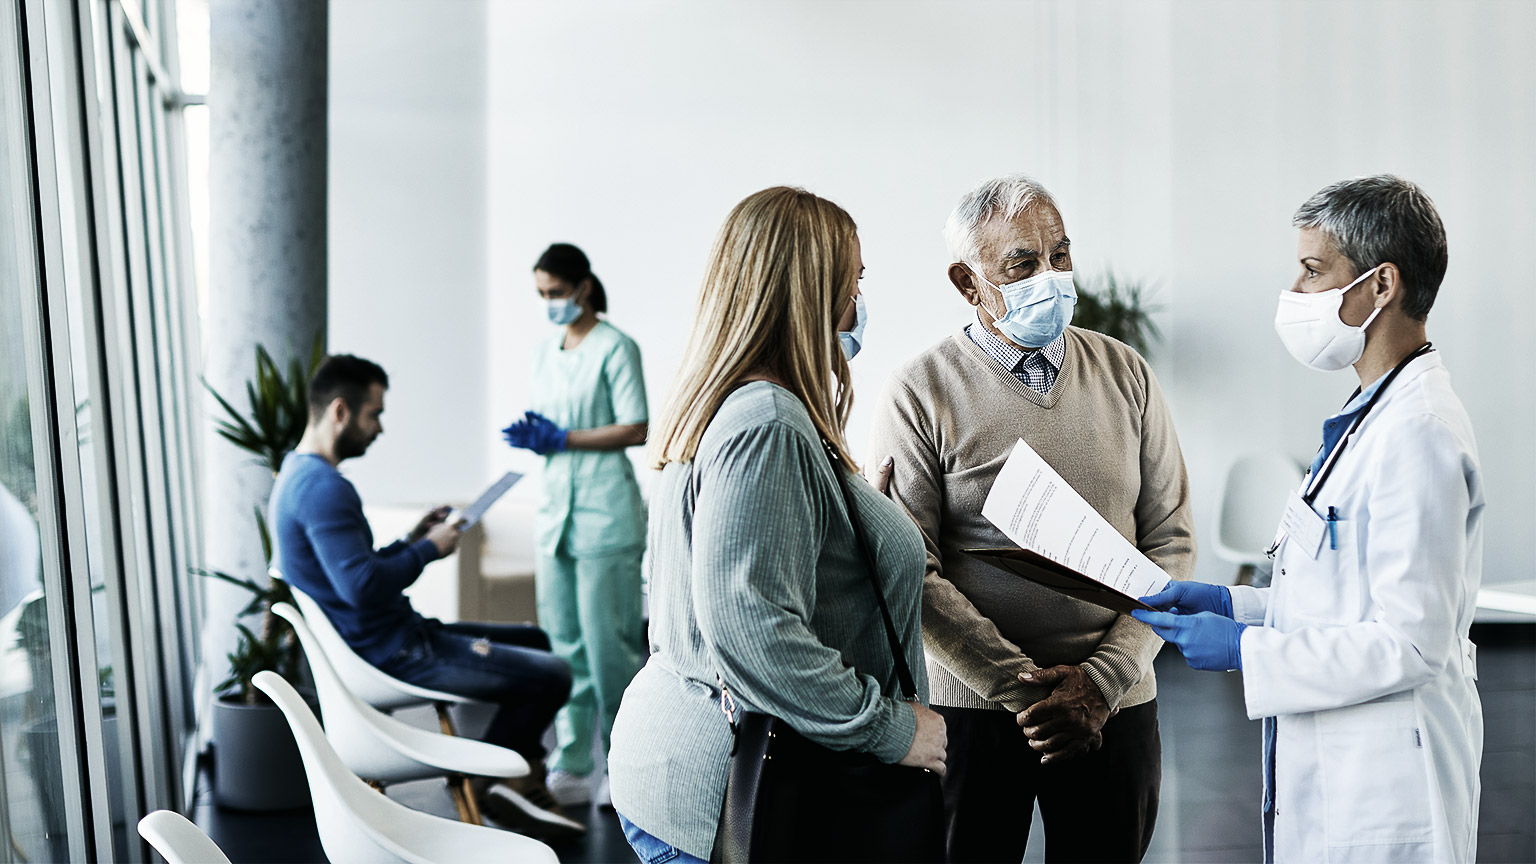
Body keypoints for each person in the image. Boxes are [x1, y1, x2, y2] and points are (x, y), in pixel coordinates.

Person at [1135, 175, 1484, 863]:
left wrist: (1246, 651)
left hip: (1389, 784)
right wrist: (1236, 604)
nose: (1294, 293)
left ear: (1381, 286)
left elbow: (1411, 643)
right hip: (1342, 766)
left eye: (1313, 269)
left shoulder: (1419, 432)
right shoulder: (1372, 416)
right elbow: (1342, 598)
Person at [607, 186, 948, 864]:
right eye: (852, 283)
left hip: (690, 771)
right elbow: (753, 624)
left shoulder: (743, 407)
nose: (858, 303)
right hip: (730, 793)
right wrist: (891, 729)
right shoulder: (767, 424)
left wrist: (861, 519)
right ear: (810, 292)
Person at [866, 174, 1195, 863]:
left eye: (1060, 256)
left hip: (1117, 704)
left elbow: (1171, 541)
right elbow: (911, 568)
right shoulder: (919, 391)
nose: (1050, 277)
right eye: (1022, 263)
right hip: (976, 712)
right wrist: (1026, 692)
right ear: (967, 280)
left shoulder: (1124, 372)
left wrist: (1102, 681)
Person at [269, 354, 581, 839]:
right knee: (555, 674)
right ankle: (492, 782)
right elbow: (362, 587)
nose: (380, 428)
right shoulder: (323, 489)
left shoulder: (298, 475)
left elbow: (356, 569)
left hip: (396, 635)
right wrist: (429, 552)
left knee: (535, 639)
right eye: (375, 414)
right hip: (397, 650)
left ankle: (517, 778)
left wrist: (415, 538)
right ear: (339, 411)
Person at [501, 243, 649, 808]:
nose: (550, 304)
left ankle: (621, 760)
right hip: (556, 512)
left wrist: (563, 438)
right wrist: (539, 433)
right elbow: (551, 421)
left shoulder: (617, 347)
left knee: (610, 647)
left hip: (604, 513)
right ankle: (571, 761)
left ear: (583, 287)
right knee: (564, 646)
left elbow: (635, 427)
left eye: (556, 293)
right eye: (542, 295)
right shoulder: (544, 351)